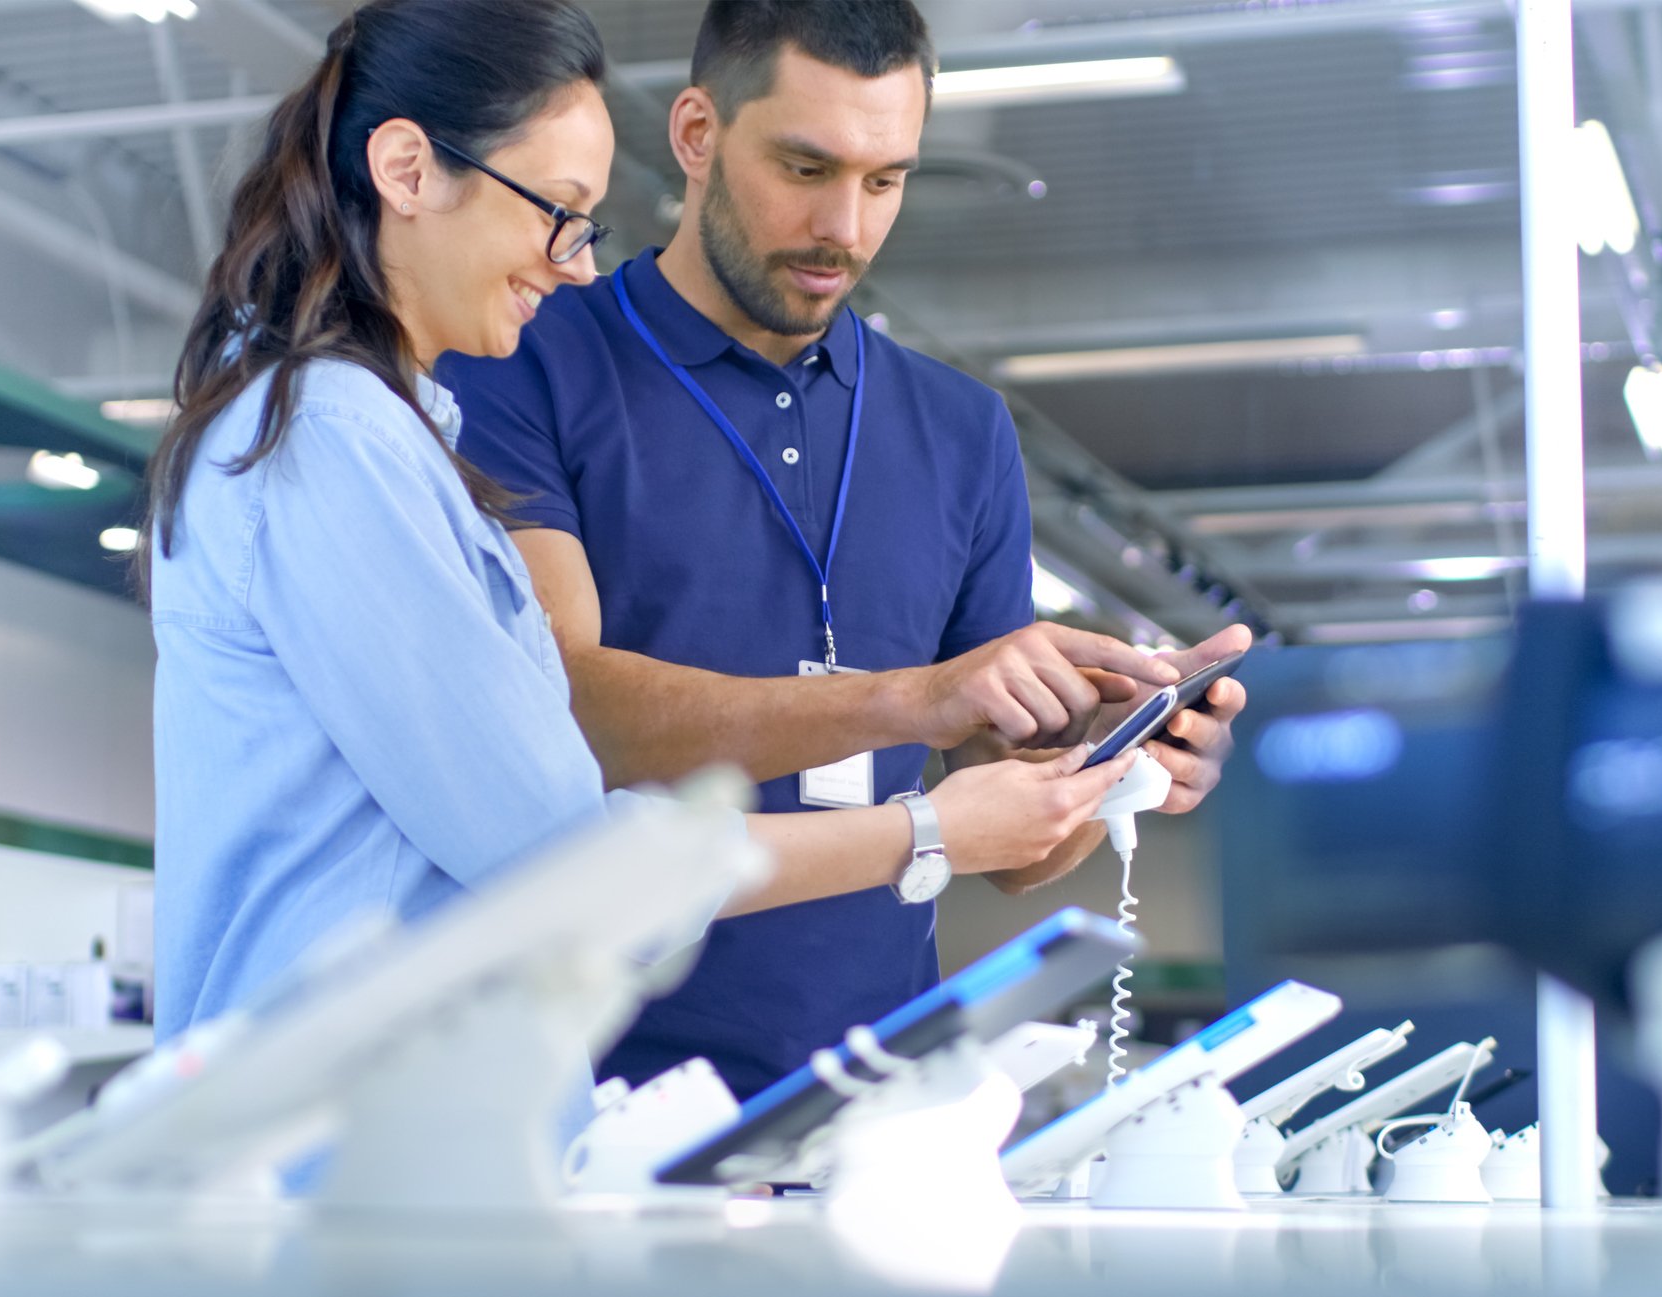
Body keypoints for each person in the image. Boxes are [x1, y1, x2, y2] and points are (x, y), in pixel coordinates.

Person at [140, 0, 1140, 1052]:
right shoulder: (335, 444)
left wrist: (1103, 758)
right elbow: (561, 849)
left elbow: (542, 815)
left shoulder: (389, 440)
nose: (574, 263)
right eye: (555, 210)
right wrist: (920, 824)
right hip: (359, 1134)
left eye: (884, 180)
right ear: (406, 172)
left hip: (440, 1119)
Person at [442, 0, 1251, 1099]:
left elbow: (1000, 843)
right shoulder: (525, 356)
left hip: (865, 1107)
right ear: (694, 134)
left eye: (885, 180)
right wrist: (907, 700)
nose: (845, 227)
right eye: (805, 166)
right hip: (586, 1094)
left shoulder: (961, 432)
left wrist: (1112, 772)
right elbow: (562, 708)